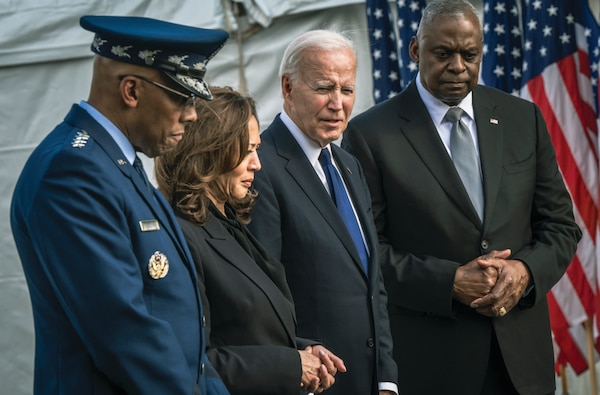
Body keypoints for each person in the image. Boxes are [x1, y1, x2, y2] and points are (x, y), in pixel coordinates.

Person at [342, 0, 582, 394]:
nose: (458, 66)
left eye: (470, 55)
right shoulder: (370, 135)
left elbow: (560, 227)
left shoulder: (524, 119)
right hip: (434, 365)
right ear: (415, 50)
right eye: (443, 54)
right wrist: (449, 281)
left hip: (522, 365)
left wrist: (524, 272)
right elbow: (366, 254)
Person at [10, 15, 231, 395]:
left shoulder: (114, 162)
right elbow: (124, 332)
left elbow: (180, 328)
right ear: (131, 90)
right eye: (183, 96)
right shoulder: (73, 171)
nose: (192, 114)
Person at [155, 85, 346, 395]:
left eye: (256, 148)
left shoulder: (228, 223)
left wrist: (302, 352)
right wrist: (289, 365)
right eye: (246, 150)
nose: (257, 163)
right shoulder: (181, 237)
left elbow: (246, 327)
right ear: (207, 152)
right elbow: (189, 361)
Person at [246, 30, 398, 395]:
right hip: (312, 382)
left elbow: (371, 283)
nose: (337, 104)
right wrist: (298, 357)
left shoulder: (348, 164)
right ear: (287, 87)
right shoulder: (259, 167)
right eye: (324, 88)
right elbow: (262, 294)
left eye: (346, 90)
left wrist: (386, 377)